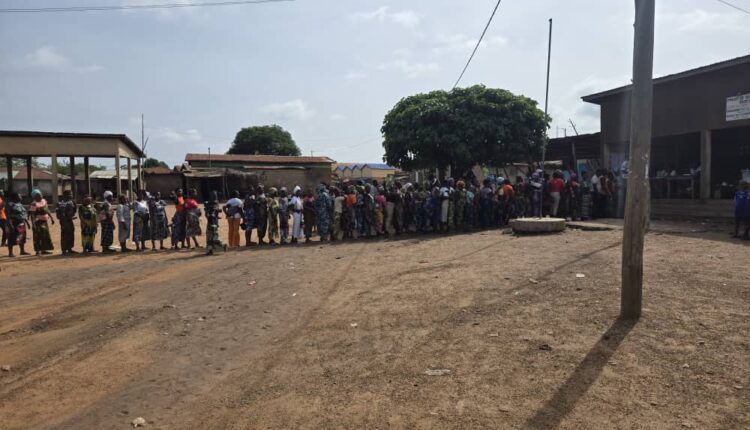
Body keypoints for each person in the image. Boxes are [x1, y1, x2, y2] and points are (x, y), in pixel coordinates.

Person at [28, 189, 54, 255]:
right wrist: (33, 224)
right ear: (34, 197)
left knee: (45, 235)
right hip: (37, 222)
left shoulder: (44, 201)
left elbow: (47, 210)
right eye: (38, 195)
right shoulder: (33, 204)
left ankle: (44, 250)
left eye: (41, 195)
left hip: (44, 222)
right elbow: (32, 215)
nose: (41, 196)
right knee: (38, 236)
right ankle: (38, 251)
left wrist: (51, 218)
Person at [6, 192, 30, 257]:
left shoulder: (20, 204)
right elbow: (8, 216)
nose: (21, 197)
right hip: (13, 223)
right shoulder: (10, 205)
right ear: (15, 197)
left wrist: (27, 222)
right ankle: (10, 253)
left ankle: (22, 251)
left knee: (21, 236)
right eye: (19, 196)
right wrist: (10, 225)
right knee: (11, 237)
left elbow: (22, 214)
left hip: (21, 223)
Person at [205, 191, 227, 255]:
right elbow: (216, 212)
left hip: (211, 222)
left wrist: (207, 208)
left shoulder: (212, 204)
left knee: (211, 237)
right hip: (214, 221)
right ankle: (210, 250)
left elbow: (208, 213)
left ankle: (222, 245)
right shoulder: (216, 203)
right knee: (212, 236)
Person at [56, 189, 77, 254]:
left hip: (69, 220)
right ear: (65, 196)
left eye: (71, 194)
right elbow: (59, 214)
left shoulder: (72, 202)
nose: (71, 196)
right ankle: (64, 250)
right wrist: (64, 218)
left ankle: (69, 248)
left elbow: (74, 211)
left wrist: (71, 216)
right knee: (65, 235)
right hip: (64, 221)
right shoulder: (61, 203)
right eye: (69, 195)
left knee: (71, 234)